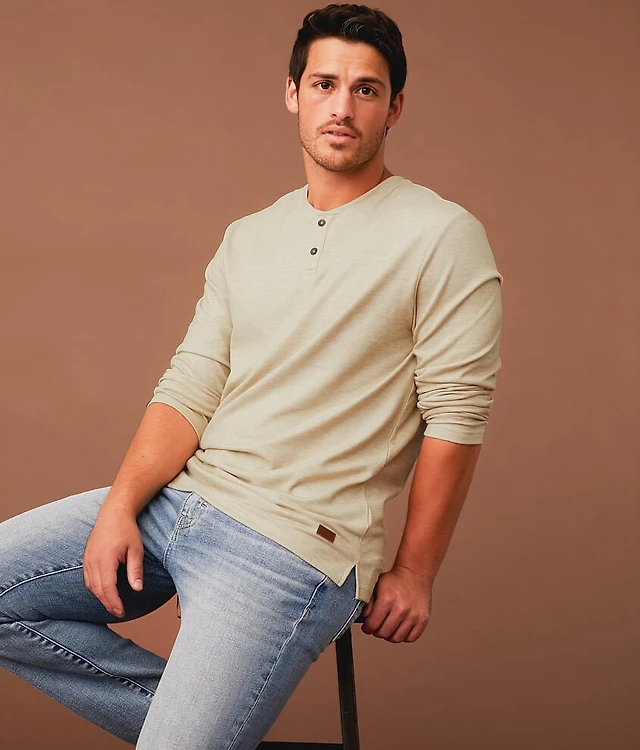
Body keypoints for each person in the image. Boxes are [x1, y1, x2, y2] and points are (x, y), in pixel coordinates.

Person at [0, 3, 503, 748]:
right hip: (179, 503)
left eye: (365, 89)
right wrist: (120, 506)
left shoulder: (442, 235)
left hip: (291, 545)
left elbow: (457, 417)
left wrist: (415, 571)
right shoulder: (249, 237)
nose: (342, 106)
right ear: (293, 93)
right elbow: (190, 386)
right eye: (325, 84)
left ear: (394, 107)